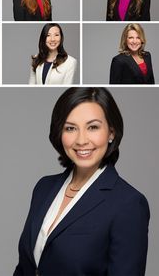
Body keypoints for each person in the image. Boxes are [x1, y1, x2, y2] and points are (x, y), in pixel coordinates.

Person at [14, 87, 150, 276]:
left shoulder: (129, 204)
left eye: (93, 127)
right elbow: (25, 268)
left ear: (111, 132)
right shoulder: (44, 188)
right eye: (70, 128)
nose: (81, 140)